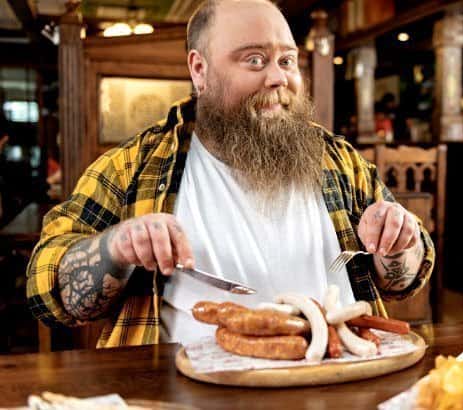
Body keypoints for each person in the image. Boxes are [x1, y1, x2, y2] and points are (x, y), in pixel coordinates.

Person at [27, 0, 434, 347]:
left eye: (286, 60)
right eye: (254, 60)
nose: (278, 78)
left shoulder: (340, 161)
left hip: (341, 381)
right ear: (199, 70)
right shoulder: (134, 167)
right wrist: (116, 248)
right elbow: (48, 290)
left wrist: (399, 244)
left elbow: (406, 279)